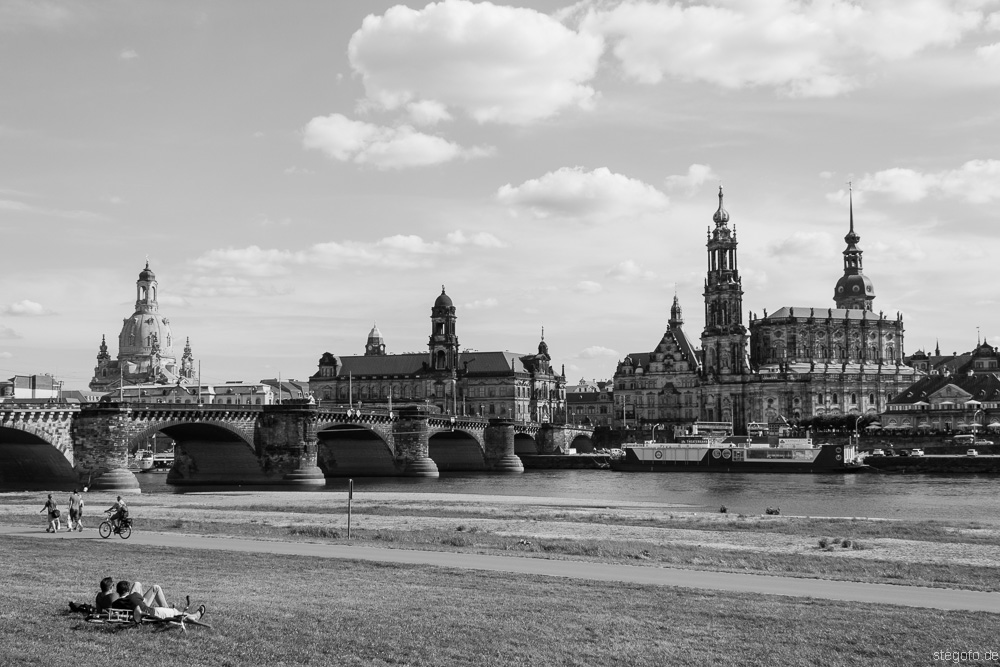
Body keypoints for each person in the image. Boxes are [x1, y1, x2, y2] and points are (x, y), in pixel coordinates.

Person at [111, 580, 206, 623]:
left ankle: (190, 616)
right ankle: (195, 616)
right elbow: (142, 600)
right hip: (152, 613)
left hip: (140, 614)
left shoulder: (115, 604)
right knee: (175, 612)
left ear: (118, 592)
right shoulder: (135, 596)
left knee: (174, 612)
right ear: (128, 590)